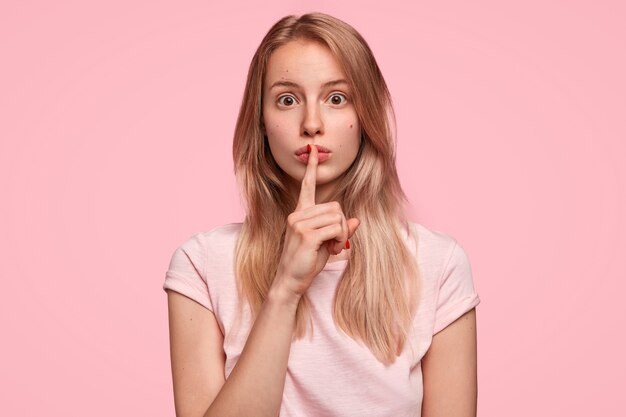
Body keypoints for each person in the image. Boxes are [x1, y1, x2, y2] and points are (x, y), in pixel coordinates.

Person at [163, 12, 480, 417]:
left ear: (365, 118)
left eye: (336, 98)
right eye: (287, 100)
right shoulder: (201, 265)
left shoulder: (438, 264)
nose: (311, 124)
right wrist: (284, 290)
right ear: (261, 122)